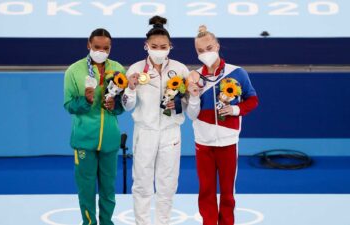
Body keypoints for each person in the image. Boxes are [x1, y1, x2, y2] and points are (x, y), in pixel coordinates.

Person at [186, 25, 259, 225]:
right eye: (201, 51)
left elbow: (252, 100)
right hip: (203, 142)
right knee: (206, 190)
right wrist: (193, 97)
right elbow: (192, 115)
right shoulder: (194, 77)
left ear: (217, 46)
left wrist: (235, 110)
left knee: (227, 192)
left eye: (209, 48)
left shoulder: (237, 72)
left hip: (228, 141)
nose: (205, 53)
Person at [122, 16, 190, 225]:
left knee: (167, 184)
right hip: (145, 132)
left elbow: (189, 100)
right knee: (142, 184)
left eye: (163, 46)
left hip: (171, 132)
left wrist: (178, 105)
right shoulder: (135, 69)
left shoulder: (180, 69)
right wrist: (131, 89)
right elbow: (127, 105)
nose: (159, 50)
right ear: (146, 46)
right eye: (154, 46)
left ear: (170, 46)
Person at [64, 28, 125, 225]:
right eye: (97, 47)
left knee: (108, 189)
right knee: (86, 189)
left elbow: (122, 105)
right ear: (88, 45)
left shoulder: (117, 69)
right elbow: (68, 105)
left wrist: (114, 106)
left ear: (110, 48)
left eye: (105, 48)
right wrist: (85, 100)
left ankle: (107, 223)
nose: (101, 51)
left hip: (109, 139)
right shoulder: (74, 70)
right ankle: (89, 223)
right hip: (84, 139)